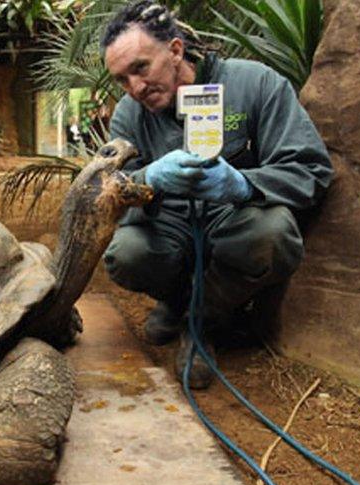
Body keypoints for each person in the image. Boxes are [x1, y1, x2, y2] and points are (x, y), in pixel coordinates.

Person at [100, 1, 333, 389]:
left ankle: (200, 319)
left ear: (175, 50)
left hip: (233, 221)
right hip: (170, 228)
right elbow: (108, 189)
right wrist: (147, 178)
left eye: (141, 67)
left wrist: (243, 185)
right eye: (122, 79)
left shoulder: (255, 84)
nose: (135, 88)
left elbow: (311, 169)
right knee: (126, 254)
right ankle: (177, 300)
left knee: (272, 236)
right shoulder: (129, 114)